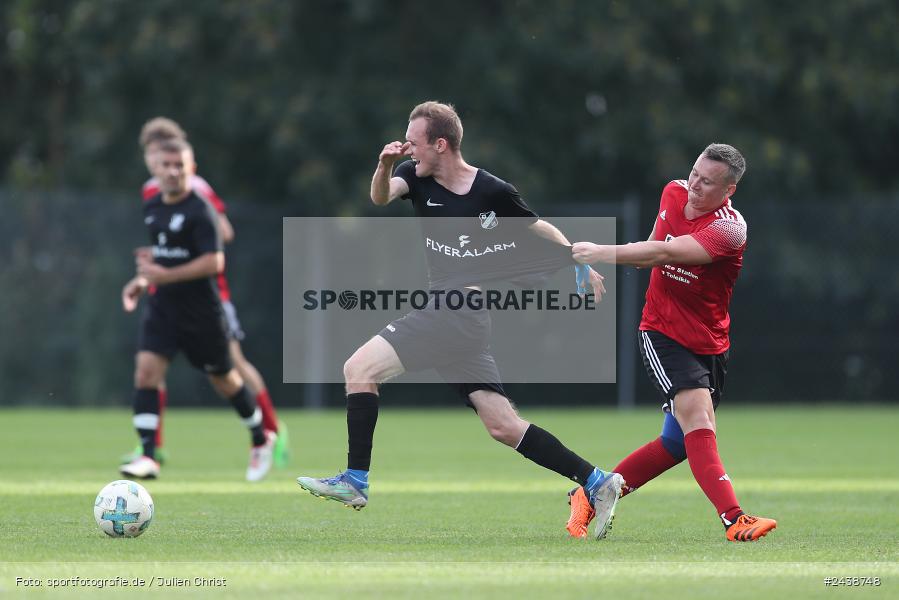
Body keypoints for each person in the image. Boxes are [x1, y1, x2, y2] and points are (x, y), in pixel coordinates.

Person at [296, 101, 624, 538]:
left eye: (414, 143)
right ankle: (597, 480)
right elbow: (379, 196)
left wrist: (577, 260)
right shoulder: (413, 175)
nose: (408, 150)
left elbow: (536, 226)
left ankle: (355, 481)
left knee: (358, 368)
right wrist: (383, 165)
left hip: (454, 313)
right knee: (503, 426)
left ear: (441, 144)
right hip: (460, 320)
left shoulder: (491, 190)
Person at [570, 143, 777, 542]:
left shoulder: (729, 229)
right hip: (663, 332)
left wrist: (599, 251)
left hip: (711, 342)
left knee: (676, 442)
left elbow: (665, 251)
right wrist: (605, 260)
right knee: (699, 419)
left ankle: (591, 494)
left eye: (707, 182)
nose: (695, 185)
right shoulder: (673, 191)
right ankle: (734, 519)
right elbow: (651, 248)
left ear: (729, 190)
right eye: (695, 174)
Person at [120, 117, 288, 469]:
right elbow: (164, 245)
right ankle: (151, 449)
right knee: (149, 368)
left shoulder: (195, 191)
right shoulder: (151, 193)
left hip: (208, 296)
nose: (160, 165)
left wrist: (190, 245)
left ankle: (269, 431)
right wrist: (148, 274)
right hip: (166, 295)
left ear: (186, 161)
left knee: (230, 369)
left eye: (168, 159)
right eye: (153, 157)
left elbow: (222, 234)